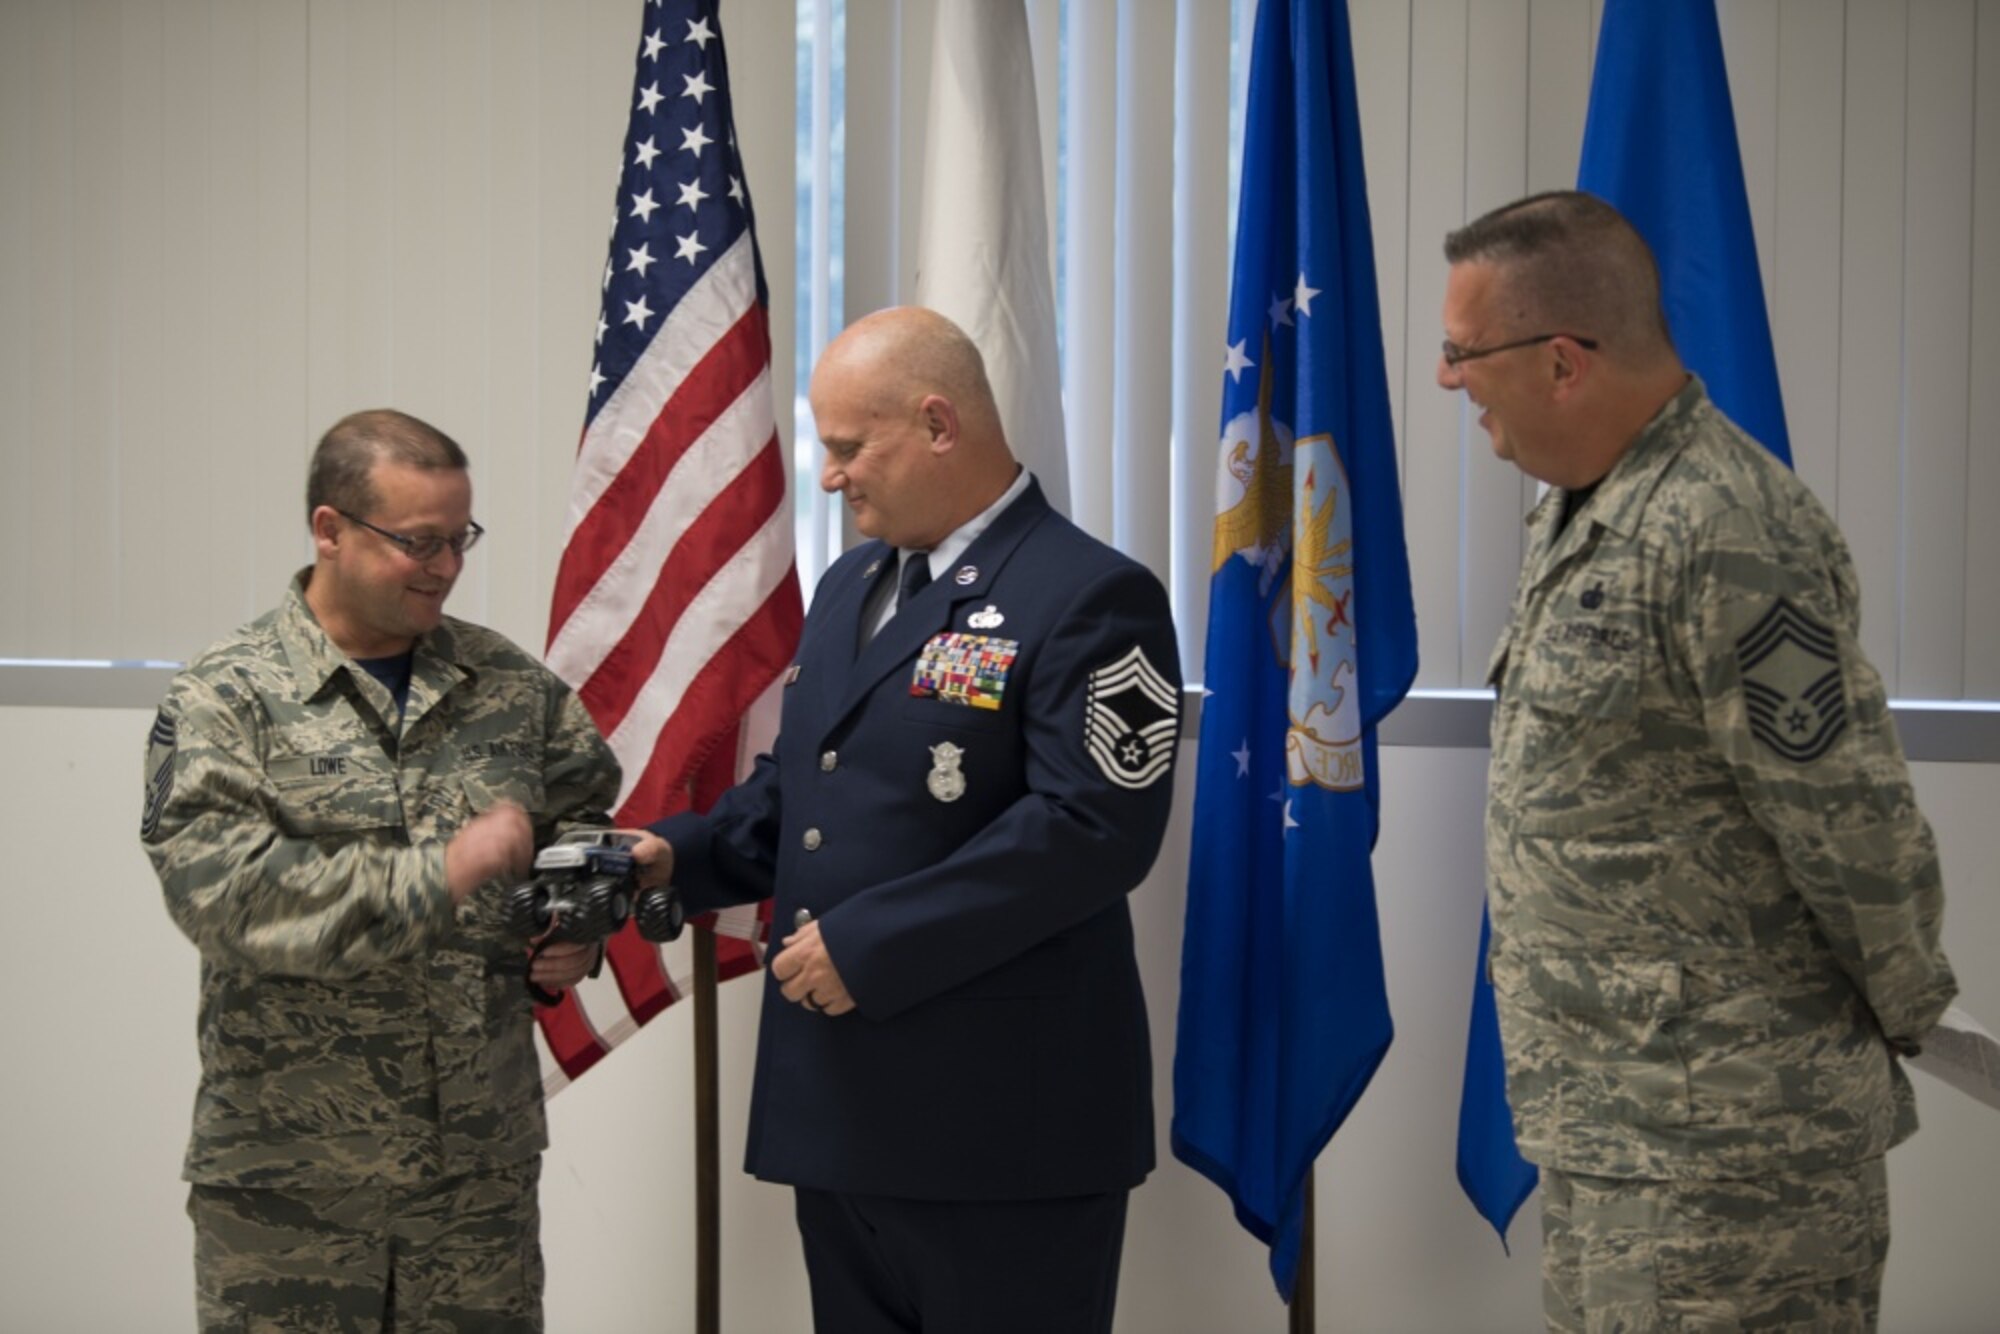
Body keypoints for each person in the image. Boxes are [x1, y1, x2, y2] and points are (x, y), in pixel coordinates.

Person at [1437, 191, 1958, 1330]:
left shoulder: (1723, 527)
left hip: (1728, 1156)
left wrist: (1907, 1002)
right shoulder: (1583, 507)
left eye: (1461, 351)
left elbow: (1849, 821)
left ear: (1562, 360)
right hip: (1614, 1126)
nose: (1447, 379)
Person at [632, 306, 1181, 1334]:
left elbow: (1091, 826)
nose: (829, 476)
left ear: (938, 423)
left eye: (847, 446)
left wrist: (869, 942)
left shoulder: (1091, 593)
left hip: (1001, 1125)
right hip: (841, 1110)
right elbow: (809, 794)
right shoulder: (852, 584)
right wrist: (677, 854)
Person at [141, 409, 620, 1331]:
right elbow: (223, 894)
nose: (444, 566)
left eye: (459, 539)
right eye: (418, 542)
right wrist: (442, 871)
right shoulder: (226, 695)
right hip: (293, 1187)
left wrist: (572, 929)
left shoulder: (509, 686)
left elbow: (582, 816)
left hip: (475, 1179)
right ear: (329, 530)